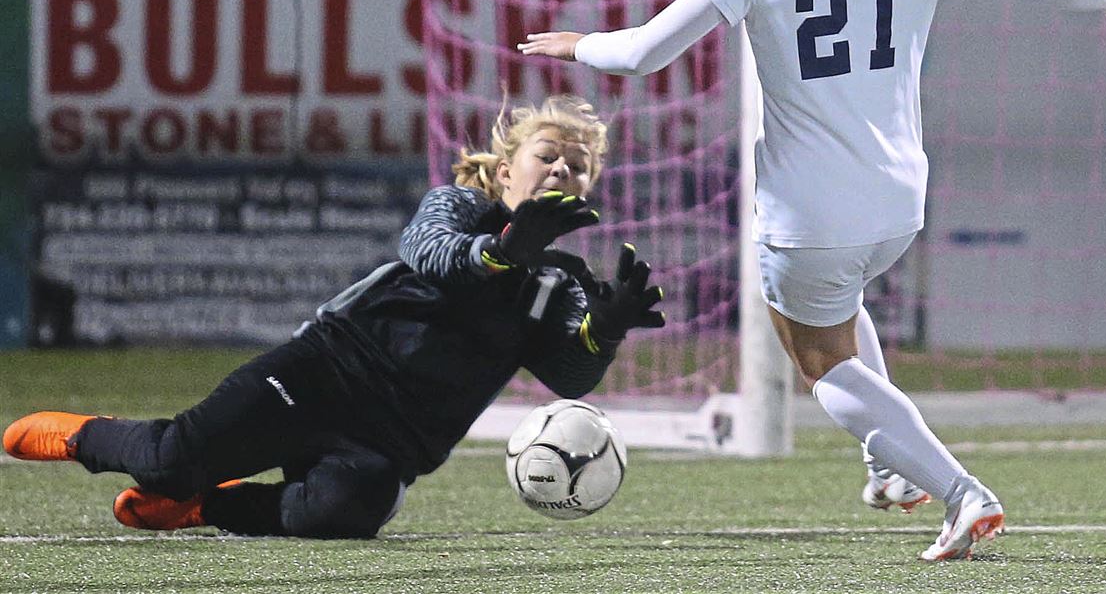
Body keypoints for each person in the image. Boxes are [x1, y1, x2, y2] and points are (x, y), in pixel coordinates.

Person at [517, 0, 1106, 562]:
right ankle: (887, 471)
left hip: (809, 210)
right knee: (839, 309)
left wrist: (580, 46)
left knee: (818, 355)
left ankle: (961, 493)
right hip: (897, 201)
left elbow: (644, 53)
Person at [3, 95, 665, 539]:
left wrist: (603, 332)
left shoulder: (564, 282)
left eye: (576, 166)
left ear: (589, 189)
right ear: (505, 165)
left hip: (392, 442)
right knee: (169, 460)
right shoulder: (461, 207)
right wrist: (499, 252)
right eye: (546, 154)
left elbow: (568, 376)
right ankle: (92, 435)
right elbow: (428, 252)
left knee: (349, 514)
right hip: (324, 374)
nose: (560, 169)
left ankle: (208, 504)